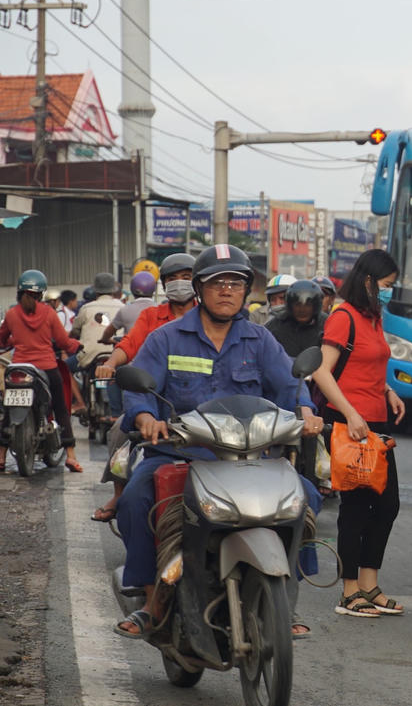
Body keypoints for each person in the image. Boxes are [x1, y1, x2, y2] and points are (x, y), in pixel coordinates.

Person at [112, 244, 324, 639]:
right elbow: (139, 388)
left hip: (249, 458)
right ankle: (151, 598)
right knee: (136, 498)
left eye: (236, 282)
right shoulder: (166, 338)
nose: (227, 290)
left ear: (246, 291)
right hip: (182, 453)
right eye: (217, 282)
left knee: (307, 497)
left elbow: (290, 386)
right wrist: (145, 418)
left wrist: (306, 412)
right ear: (198, 289)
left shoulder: (260, 340)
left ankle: (285, 597)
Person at [311, 249, 407, 618]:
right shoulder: (343, 317)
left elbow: (370, 365)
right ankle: (349, 592)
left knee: (387, 505)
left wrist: (388, 391)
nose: (388, 292)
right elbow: (322, 371)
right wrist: (351, 413)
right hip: (348, 423)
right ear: (367, 281)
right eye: (385, 285)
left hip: (376, 424)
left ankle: (369, 586)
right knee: (356, 509)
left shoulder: (374, 318)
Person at [91, 253, 196, 523]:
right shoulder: (151, 316)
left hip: (199, 405)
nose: (179, 283)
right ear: (163, 285)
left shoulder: (209, 317)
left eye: (186, 278)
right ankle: (118, 491)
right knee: (119, 430)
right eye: (172, 279)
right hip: (155, 400)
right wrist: (111, 363)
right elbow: (128, 345)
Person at [0, 270, 85, 473]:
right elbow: (63, 341)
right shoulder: (49, 313)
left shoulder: (12, 314)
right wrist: (76, 345)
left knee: (8, 411)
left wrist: (12, 342)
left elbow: (2, 339)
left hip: (18, 368)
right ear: (42, 293)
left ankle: (1, 455)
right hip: (46, 367)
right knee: (61, 408)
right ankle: (71, 456)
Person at [71, 272, 124, 368]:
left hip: (88, 357)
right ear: (113, 290)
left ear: (95, 290)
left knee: (65, 368)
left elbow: (75, 330)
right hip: (117, 356)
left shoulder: (86, 308)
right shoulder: (123, 308)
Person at [266, 279, 327, 359]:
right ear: (290, 305)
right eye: (297, 305)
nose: (302, 310)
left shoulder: (328, 324)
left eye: (308, 305)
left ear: (316, 306)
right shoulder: (275, 325)